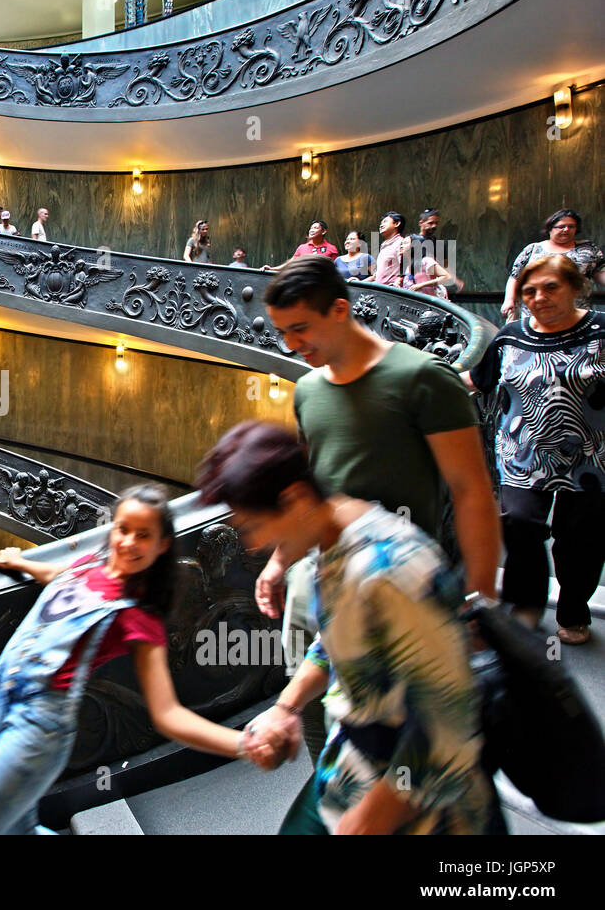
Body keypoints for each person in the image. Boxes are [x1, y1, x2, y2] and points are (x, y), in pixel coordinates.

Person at [198, 423, 501, 835]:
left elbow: (452, 720)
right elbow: (340, 639)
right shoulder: (336, 539)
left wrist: (376, 815)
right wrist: (286, 709)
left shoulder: (388, 572)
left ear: (294, 499)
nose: (254, 544)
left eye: (254, 525)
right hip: (356, 764)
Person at [258, 256, 500, 764]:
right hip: (316, 581)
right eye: (283, 332)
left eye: (301, 328)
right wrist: (280, 561)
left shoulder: (421, 378)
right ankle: (337, 790)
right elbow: (310, 492)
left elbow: (472, 491)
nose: (291, 346)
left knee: (393, 731)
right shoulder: (308, 390)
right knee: (318, 710)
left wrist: (480, 598)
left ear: (341, 309)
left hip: (398, 589)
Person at [0, 484, 285, 835]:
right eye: (123, 530)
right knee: (17, 830)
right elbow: (63, 582)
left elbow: (167, 714)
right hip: (4, 698)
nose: (127, 543)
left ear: (162, 544)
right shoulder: (94, 565)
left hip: (37, 729)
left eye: (143, 535)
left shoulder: (139, 616)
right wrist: (22, 563)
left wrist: (242, 745)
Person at [463, 254, 605, 644]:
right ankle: (525, 607)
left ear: (576, 288)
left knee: (581, 539)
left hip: (591, 458)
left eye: (550, 287)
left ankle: (574, 611)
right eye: (529, 291)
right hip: (522, 455)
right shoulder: (512, 335)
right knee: (520, 525)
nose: (538, 297)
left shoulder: (601, 331)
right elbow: (477, 380)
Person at [501, 209, 604, 321]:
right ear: (550, 228)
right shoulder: (533, 249)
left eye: (571, 226)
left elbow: (600, 272)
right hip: (536, 312)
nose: (566, 229)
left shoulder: (588, 249)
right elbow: (515, 277)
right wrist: (509, 300)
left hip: (576, 311)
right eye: (561, 226)